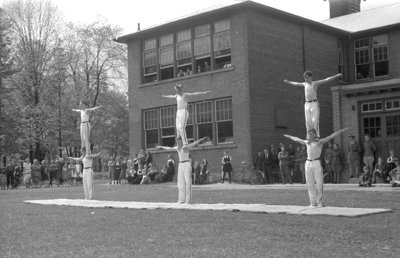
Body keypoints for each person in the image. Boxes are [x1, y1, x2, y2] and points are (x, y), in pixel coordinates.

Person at [284, 127, 349, 207]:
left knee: (319, 182)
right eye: (309, 134)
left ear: (315, 134)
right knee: (310, 183)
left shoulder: (319, 142)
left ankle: (320, 201)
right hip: (308, 163)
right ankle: (313, 202)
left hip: (316, 162)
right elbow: (297, 139)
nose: (310, 136)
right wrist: (289, 136)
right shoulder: (307, 142)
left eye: (311, 134)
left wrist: (340, 131)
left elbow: (330, 136)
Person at [284, 71, 342, 138]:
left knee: (315, 120)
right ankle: (309, 137)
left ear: (310, 77)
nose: (305, 79)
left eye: (307, 78)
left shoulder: (315, 83)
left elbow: (326, 80)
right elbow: (296, 83)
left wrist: (336, 76)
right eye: (304, 78)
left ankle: (316, 135)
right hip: (307, 104)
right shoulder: (304, 84)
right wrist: (288, 82)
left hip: (314, 104)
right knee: (308, 121)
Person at [157, 136, 208, 204]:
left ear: (182, 141)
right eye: (177, 141)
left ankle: (188, 201)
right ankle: (181, 200)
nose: (177, 142)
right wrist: (161, 147)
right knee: (180, 183)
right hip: (180, 164)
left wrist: (201, 139)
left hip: (186, 164)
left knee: (188, 182)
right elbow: (169, 148)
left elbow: (194, 143)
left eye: (179, 141)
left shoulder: (185, 147)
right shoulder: (178, 148)